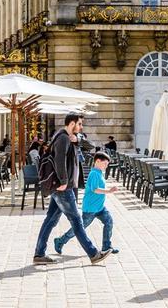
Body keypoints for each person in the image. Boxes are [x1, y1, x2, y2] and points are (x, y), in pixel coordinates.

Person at [32, 113, 111, 266]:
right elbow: (59, 160)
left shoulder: (70, 138)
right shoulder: (62, 138)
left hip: (63, 187)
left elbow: (91, 146)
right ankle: (93, 254)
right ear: (72, 123)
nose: (81, 127)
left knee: (50, 220)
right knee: (76, 220)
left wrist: (78, 139)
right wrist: (63, 181)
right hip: (64, 188)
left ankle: (39, 253)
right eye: (79, 124)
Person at [53, 151, 119, 255]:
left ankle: (106, 246)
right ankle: (60, 241)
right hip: (90, 209)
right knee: (79, 229)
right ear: (97, 161)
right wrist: (109, 191)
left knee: (109, 222)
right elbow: (95, 189)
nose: (106, 166)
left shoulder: (99, 173)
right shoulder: (94, 174)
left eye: (107, 164)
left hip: (100, 208)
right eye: (105, 163)